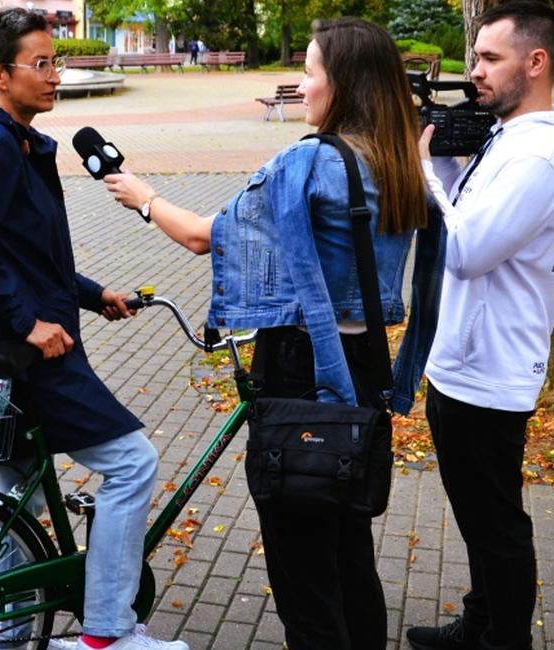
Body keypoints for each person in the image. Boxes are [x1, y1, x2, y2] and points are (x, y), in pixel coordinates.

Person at [104, 17, 443, 650]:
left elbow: (207, 236)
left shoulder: (310, 162)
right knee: (349, 553)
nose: (303, 86)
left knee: (302, 571)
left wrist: (145, 198)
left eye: (311, 73)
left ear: (341, 85)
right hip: (367, 364)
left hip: (298, 369)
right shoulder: (400, 166)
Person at [0, 8, 188, 650]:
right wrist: (31, 322)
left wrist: (95, 296)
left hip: (9, 351)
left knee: (17, 495)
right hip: (26, 354)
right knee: (132, 463)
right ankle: (106, 632)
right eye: (41, 64)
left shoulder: (12, 139)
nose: (55, 75)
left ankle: (3, 636)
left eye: (56, 62)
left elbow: (26, 256)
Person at [405, 2, 554, 649]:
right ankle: (479, 624)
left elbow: (466, 249)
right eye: (474, 57)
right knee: (482, 520)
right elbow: (469, 215)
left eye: (489, 59)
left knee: (498, 528)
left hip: (491, 371)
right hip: (468, 361)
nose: (473, 72)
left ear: (536, 63)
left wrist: (425, 167)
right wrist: (450, 163)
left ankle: (502, 640)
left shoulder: (539, 156)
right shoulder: (512, 137)